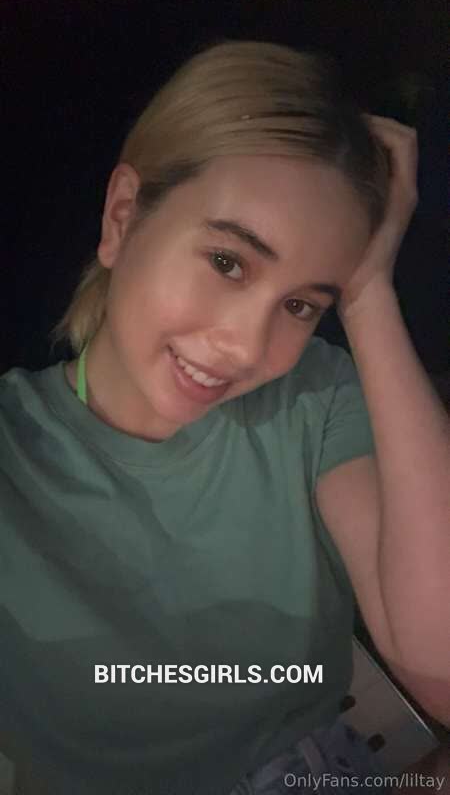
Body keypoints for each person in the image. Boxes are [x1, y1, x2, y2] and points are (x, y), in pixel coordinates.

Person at [1, 39, 448, 795]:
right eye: (228, 262)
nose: (246, 347)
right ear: (122, 217)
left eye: (301, 304)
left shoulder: (312, 396)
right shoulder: (16, 453)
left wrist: (369, 292)